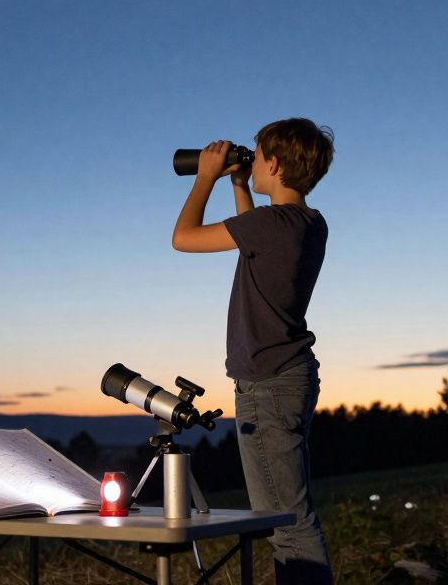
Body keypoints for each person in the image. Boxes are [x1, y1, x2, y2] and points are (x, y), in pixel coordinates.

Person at [171, 117, 335, 584]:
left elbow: (183, 238)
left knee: (287, 523)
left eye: (258, 155)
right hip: (288, 377)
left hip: (267, 384)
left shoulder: (270, 224)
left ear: (277, 163)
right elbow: (251, 239)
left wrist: (206, 177)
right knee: (287, 517)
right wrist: (240, 182)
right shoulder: (307, 223)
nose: (252, 161)